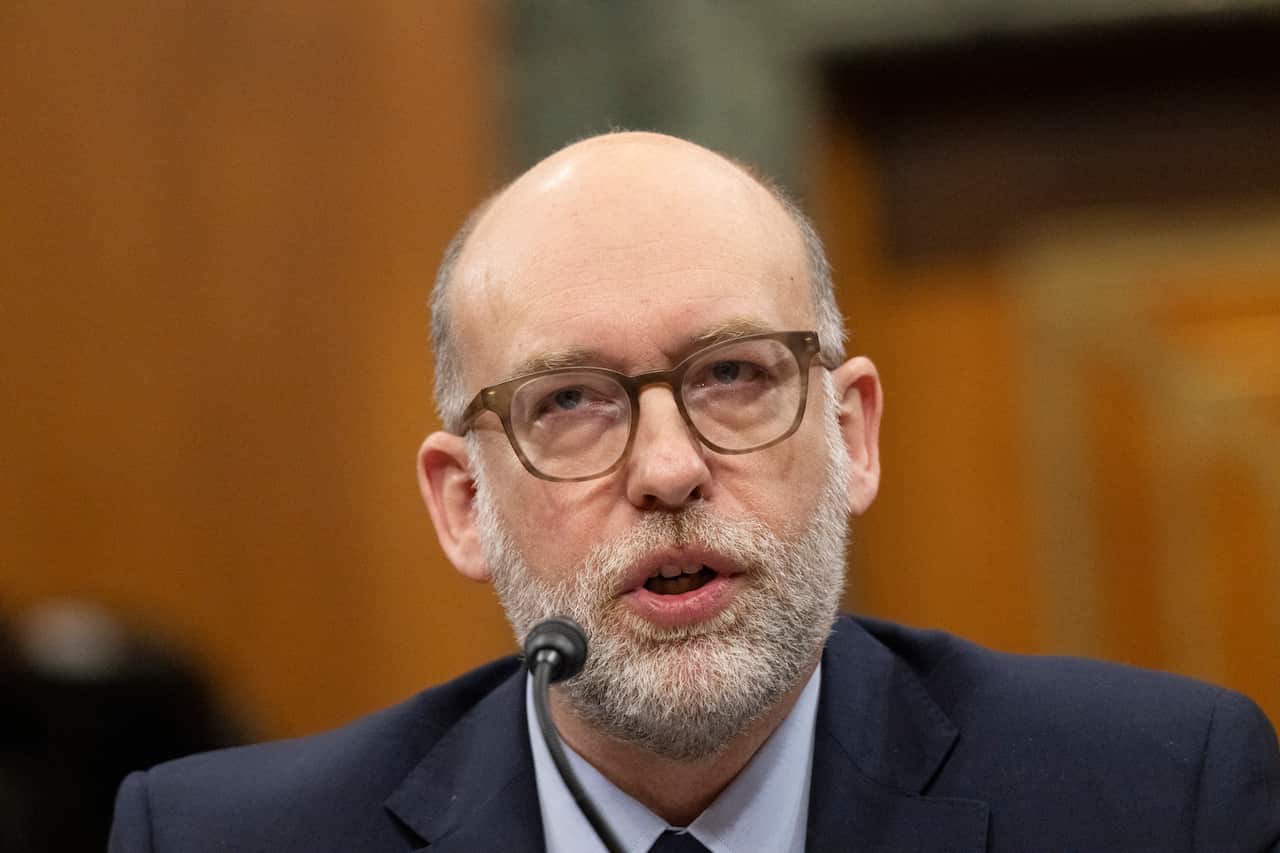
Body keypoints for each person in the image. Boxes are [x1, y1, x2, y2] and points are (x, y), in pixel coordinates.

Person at [110, 132, 1280, 852]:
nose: (667, 470)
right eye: (567, 400)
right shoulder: (223, 838)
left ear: (850, 430)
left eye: (731, 375)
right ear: (462, 502)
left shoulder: (1154, 799)